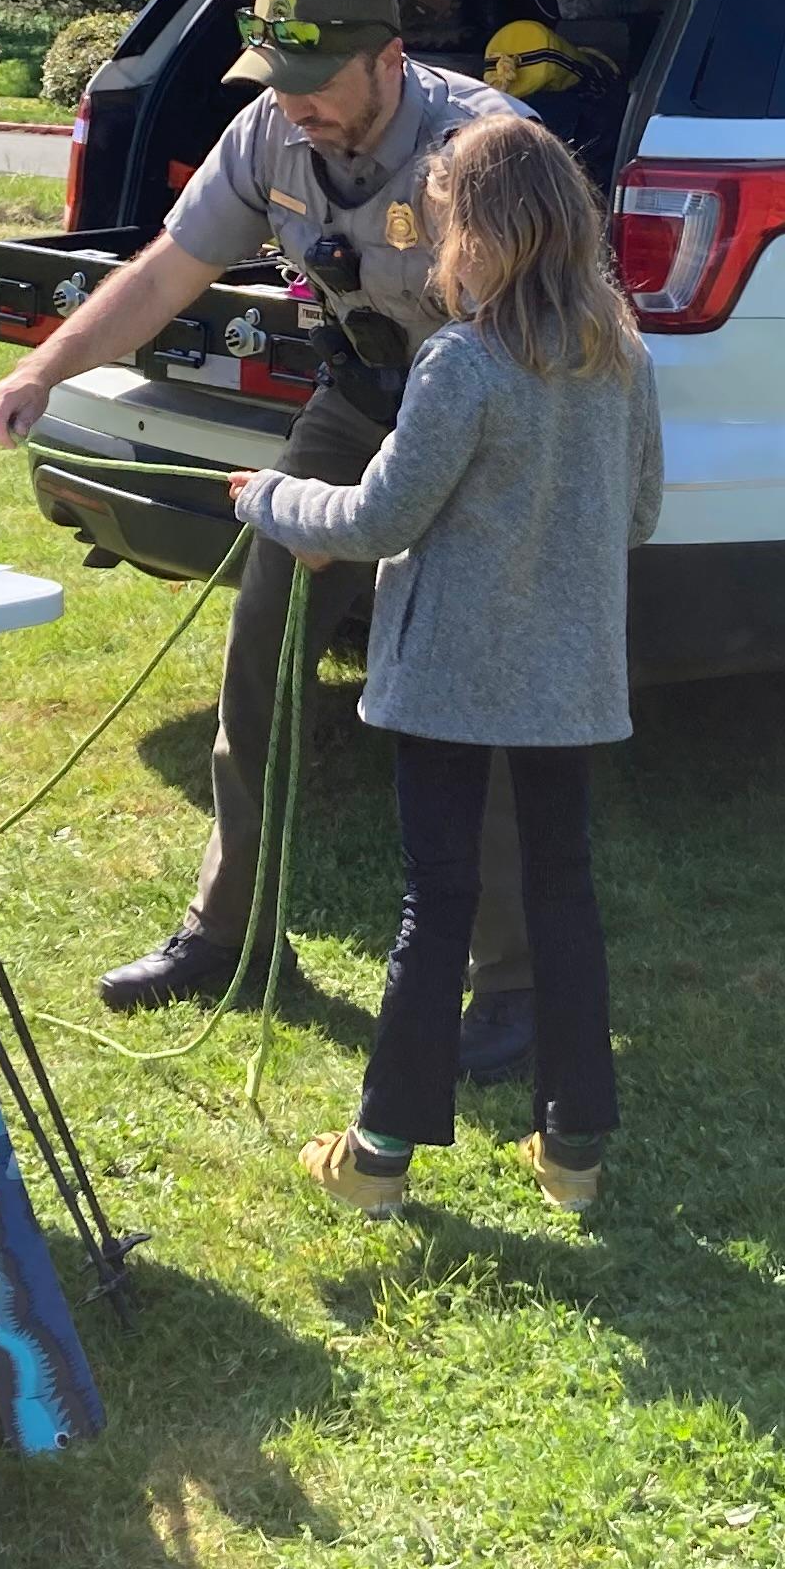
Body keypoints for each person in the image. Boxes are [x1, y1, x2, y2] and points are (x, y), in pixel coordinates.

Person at [0, 0, 550, 1072]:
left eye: (318, 83)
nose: (295, 107)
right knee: (261, 657)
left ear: (391, 59)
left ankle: (518, 985)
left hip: (484, 421)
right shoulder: (272, 130)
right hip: (361, 395)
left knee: (458, 691)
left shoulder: (485, 150)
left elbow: (552, 343)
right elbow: (161, 275)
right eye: (276, 81)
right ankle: (224, 935)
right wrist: (44, 371)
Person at [235, 113, 658, 1220]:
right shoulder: (619, 350)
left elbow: (376, 517)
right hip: (570, 678)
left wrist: (269, 498)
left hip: (451, 679)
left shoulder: (460, 365)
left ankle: (377, 1155)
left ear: (482, 235)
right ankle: (573, 1149)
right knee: (563, 891)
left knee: (440, 900)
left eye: (445, 227)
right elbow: (642, 511)